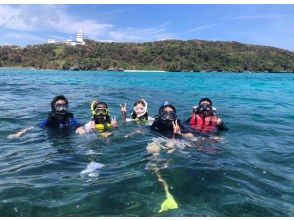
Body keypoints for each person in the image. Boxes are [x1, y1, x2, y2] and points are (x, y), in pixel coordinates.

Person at [7, 95, 79, 139]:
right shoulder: (48, 121)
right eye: (58, 106)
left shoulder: (70, 120)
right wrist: (19, 134)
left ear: (67, 107)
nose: (61, 108)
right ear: (53, 107)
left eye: (64, 106)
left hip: (67, 138)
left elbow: (80, 126)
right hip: (52, 138)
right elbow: (33, 127)